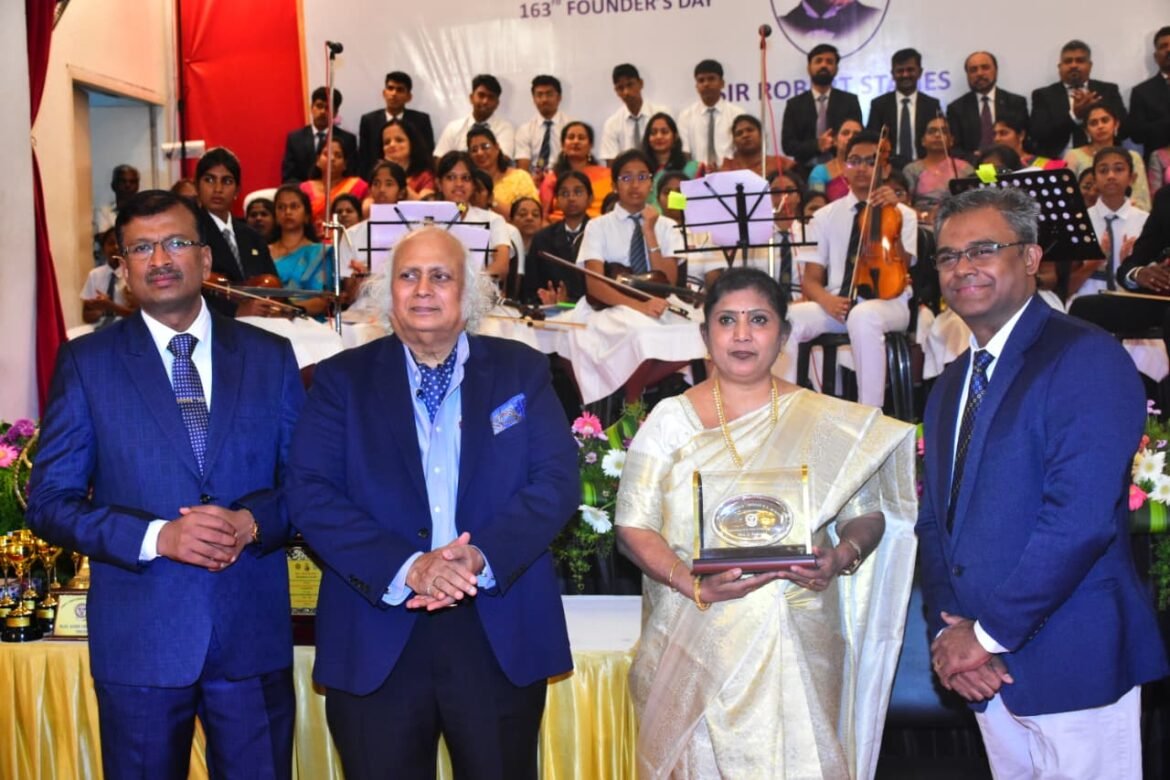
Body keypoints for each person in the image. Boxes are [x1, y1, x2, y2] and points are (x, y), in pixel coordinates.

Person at [27, 189, 304, 779]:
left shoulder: (271, 356)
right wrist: (158, 537)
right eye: (141, 248)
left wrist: (253, 522)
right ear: (123, 271)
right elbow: (50, 502)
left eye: (176, 242)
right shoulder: (87, 364)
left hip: (250, 635)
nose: (159, 259)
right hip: (141, 642)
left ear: (206, 258)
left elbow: (310, 486)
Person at [285, 225, 577, 780]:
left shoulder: (522, 370)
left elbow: (557, 480)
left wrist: (481, 555)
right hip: (377, 624)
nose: (423, 289)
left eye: (440, 276)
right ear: (387, 294)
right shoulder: (341, 379)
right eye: (408, 275)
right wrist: (410, 567)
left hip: (496, 625)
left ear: (469, 294)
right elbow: (310, 492)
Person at [615, 266, 916, 778]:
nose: (742, 334)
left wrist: (841, 556)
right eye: (726, 320)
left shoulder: (827, 419)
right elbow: (632, 527)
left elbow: (867, 514)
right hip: (695, 635)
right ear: (705, 334)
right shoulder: (669, 420)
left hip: (800, 635)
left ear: (784, 334)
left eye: (758, 320)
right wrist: (693, 585)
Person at [917, 186, 1168, 778]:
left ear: (1030, 257)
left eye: (983, 249)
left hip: (1073, 658)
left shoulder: (1085, 356)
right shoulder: (951, 383)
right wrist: (950, 633)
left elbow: (1077, 521)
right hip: (984, 672)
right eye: (949, 256)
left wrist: (986, 635)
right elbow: (934, 522)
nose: (963, 267)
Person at [776, 131, 917, 408]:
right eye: (854, 160)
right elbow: (811, 279)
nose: (862, 168)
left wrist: (894, 214)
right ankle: (784, 408)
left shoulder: (903, 213)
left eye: (871, 161)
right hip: (838, 304)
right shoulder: (824, 216)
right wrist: (826, 300)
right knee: (788, 317)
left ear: (885, 168)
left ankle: (870, 414)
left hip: (890, 303)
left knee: (863, 316)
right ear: (843, 167)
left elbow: (907, 263)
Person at [578, 149, 684, 318]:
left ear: (651, 184)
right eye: (627, 178)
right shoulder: (597, 226)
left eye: (642, 177)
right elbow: (595, 285)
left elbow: (668, 283)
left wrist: (650, 232)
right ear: (614, 186)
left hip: (659, 307)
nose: (635, 185)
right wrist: (640, 307)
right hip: (611, 310)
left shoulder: (668, 226)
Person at [194, 147, 280, 317]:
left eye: (227, 181)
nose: (218, 189)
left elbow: (274, 287)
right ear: (197, 186)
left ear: (238, 191)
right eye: (209, 180)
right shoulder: (190, 232)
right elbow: (186, 291)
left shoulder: (253, 236)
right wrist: (236, 311)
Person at [1029, 40, 1128, 160]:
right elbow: (1038, 134)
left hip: (1103, 159)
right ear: (1060, 67)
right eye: (1068, 61)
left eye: (1080, 61)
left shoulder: (1108, 90)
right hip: (1058, 161)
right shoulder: (1043, 95)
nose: (1073, 65)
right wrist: (1074, 116)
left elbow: (1125, 130)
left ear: (1090, 65)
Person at [780, 43, 863, 172]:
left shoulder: (849, 101)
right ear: (809, 68)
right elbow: (788, 146)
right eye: (818, 61)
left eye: (829, 62)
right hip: (804, 171)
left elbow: (858, 139)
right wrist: (817, 145)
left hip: (842, 170)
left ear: (836, 69)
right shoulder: (794, 104)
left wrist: (837, 143)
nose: (824, 65)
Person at [436, 151, 511, 281]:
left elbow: (501, 266)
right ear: (439, 184)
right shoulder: (425, 220)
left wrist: (474, 284)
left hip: (480, 290)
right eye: (451, 177)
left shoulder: (493, 220)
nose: (459, 184)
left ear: (473, 185)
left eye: (466, 178)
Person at [1062, 104, 1150, 210]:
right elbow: (1066, 197)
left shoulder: (1133, 157)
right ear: (1086, 131)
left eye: (1105, 120)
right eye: (1093, 123)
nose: (1100, 126)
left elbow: (1142, 201)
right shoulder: (1073, 156)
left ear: (1116, 124)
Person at [523, 169, 591, 305]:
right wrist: (547, 298)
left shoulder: (600, 233)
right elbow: (532, 287)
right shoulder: (542, 238)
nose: (571, 198)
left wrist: (570, 301)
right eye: (564, 193)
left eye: (578, 192)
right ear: (557, 201)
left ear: (590, 198)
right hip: (553, 311)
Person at [946, 51, 1030, 160]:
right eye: (973, 70)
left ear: (996, 71)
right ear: (967, 75)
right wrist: (975, 158)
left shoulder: (1015, 102)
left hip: (1011, 163)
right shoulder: (956, 108)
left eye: (985, 67)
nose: (979, 73)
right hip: (973, 166)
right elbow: (954, 148)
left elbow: (1025, 140)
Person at [867, 48, 943, 167]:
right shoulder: (879, 105)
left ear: (920, 72)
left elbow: (939, 140)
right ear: (892, 74)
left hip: (925, 167)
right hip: (889, 167)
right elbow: (872, 141)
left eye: (910, 70)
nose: (905, 75)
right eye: (900, 71)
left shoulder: (931, 105)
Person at [269, 185, 332, 319]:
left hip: (308, 321)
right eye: (281, 207)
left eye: (294, 206)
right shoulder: (265, 251)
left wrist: (289, 310)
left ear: (307, 215)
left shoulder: (319, 252)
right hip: (270, 318)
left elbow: (323, 300)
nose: (287, 212)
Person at [358, 70, 435, 179]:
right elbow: (364, 158)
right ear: (384, 93)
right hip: (377, 179)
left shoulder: (421, 120)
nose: (394, 94)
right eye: (390, 88)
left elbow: (426, 154)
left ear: (409, 97)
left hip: (413, 178)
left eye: (400, 90)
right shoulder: (369, 120)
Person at [280, 86, 359, 184]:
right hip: (302, 191)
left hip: (337, 191)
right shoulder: (295, 139)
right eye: (319, 106)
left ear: (335, 113)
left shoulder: (348, 140)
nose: (322, 112)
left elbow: (351, 176)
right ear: (311, 108)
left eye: (328, 108)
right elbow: (289, 177)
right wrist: (308, 189)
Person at [343, 160, 406, 279]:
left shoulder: (413, 232)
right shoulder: (350, 235)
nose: (381, 189)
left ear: (401, 192)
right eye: (376, 184)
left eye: (389, 184)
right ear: (370, 190)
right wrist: (361, 277)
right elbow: (347, 286)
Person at [539, 121, 613, 221]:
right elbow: (543, 216)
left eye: (581, 138)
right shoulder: (553, 178)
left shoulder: (608, 175)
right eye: (571, 137)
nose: (576, 141)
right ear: (562, 145)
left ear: (590, 145)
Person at [902, 116, 975, 219]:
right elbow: (904, 204)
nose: (937, 135)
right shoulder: (912, 170)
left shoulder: (965, 168)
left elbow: (974, 201)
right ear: (923, 141)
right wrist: (924, 216)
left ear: (951, 140)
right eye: (931, 131)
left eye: (944, 132)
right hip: (921, 222)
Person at [677, 59, 743, 169]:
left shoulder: (737, 114)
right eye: (701, 80)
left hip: (730, 172)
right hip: (697, 174)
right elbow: (685, 152)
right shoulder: (686, 116)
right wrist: (696, 172)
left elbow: (742, 151)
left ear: (722, 83)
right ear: (696, 86)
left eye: (711, 79)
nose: (706, 84)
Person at [599, 64, 672, 163]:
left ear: (641, 83)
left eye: (630, 85)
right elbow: (611, 163)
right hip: (627, 172)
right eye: (620, 88)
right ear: (616, 91)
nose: (626, 92)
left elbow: (673, 151)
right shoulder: (612, 124)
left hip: (661, 170)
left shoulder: (662, 114)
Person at [433, 74, 515, 159]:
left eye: (491, 97)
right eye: (481, 95)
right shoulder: (453, 128)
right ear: (471, 98)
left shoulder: (504, 128)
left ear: (497, 103)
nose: (485, 101)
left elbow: (502, 160)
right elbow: (439, 159)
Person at [299, 137, 370, 232]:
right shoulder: (304, 189)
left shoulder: (358, 186)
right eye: (326, 154)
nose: (332, 159)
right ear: (318, 161)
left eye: (338, 155)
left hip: (349, 236)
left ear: (345, 164)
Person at [468, 125, 539, 218]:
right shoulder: (467, 182)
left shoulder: (520, 178)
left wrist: (491, 201)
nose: (480, 153)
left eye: (485, 146)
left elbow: (528, 216)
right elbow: (460, 209)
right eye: (474, 150)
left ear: (497, 147)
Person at [514, 74, 571, 182]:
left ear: (559, 98)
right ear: (533, 99)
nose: (544, 100)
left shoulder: (571, 126)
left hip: (564, 180)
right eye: (539, 95)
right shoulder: (525, 130)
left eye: (549, 94)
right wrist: (530, 183)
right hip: (534, 181)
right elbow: (523, 168)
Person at [641, 112, 702, 209]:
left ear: (675, 136)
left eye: (664, 132)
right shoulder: (642, 171)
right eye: (653, 133)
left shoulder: (692, 169)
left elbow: (697, 205)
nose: (659, 136)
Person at [1129, 27, 1170, 160]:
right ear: (1156, 56)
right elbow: (1137, 135)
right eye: (1163, 46)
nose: (1169, 49)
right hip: (1158, 165)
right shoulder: (1141, 92)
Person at [81, 228, 135, 327]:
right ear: (103, 248)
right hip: (101, 326)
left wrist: (110, 306)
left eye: (119, 243)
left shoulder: (134, 274)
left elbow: (138, 316)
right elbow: (86, 316)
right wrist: (99, 311)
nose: (116, 247)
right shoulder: (94, 275)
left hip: (127, 326)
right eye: (111, 243)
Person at [720, 114, 795, 180]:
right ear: (734, 141)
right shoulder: (727, 168)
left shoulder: (782, 164)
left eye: (750, 130)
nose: (745, 135)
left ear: (762, 135)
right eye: (739, 133)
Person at [807, 117, 863, 201]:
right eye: (845, 133)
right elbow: (815, 201)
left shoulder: (871, 170)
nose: (851, 137)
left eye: (856, 135)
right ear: (835, 140)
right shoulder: (819, 172)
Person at [380, 117, 436, 200]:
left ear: (412, 143)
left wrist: (396, 173)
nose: (392, 145)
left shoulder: (426, 177)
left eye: (399, 140)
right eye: (387, 142)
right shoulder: (379, 176)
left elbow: (423, 206)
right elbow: (368, 204)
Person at [93, 163, 140, 238]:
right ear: (113, 185)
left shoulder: (146, 211)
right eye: (123, 181)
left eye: (132, 181)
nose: (127, 185)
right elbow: (105, 239)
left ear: (137, 186)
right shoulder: (103, 212)